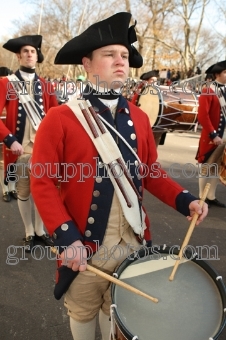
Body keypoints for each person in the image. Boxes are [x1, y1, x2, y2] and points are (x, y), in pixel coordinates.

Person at [30, 12, 208, 340]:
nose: (119, 61)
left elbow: (150, 172)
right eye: (109, 55)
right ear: (87, 63)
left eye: (124, 55)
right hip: (85, 241)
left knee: (118, 310)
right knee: (83, 308)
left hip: (134, 239)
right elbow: (42, 181)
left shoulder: (139, 117)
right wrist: (66, 238)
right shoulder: (60, 118)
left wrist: (186, 200)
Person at [0, 35, 58, 251]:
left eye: (33, 51)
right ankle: (29, 232)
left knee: (43, 191)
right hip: (21, 148)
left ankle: (41, 231)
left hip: (43, 148)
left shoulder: (46, 85)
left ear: (37, 55)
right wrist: (9, 140)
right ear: (18, 56)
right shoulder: (6, 83)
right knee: (24, 191)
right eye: (25, 51)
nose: (29, 54)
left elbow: (56, 116)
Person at [196, 60, 226, 207]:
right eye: (225, 72)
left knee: (217, 167)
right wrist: (214, 135)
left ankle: (211, 196)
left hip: (224, 136)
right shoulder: (208, 89)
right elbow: (203, 116)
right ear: (217, 75)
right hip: (211, 137)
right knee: (206, 167)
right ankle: (202, 197)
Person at [0, 66, 18, 202]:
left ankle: (12, 187)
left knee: (13, 162)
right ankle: (4, 189)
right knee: (4, 163)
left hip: (8, 131)